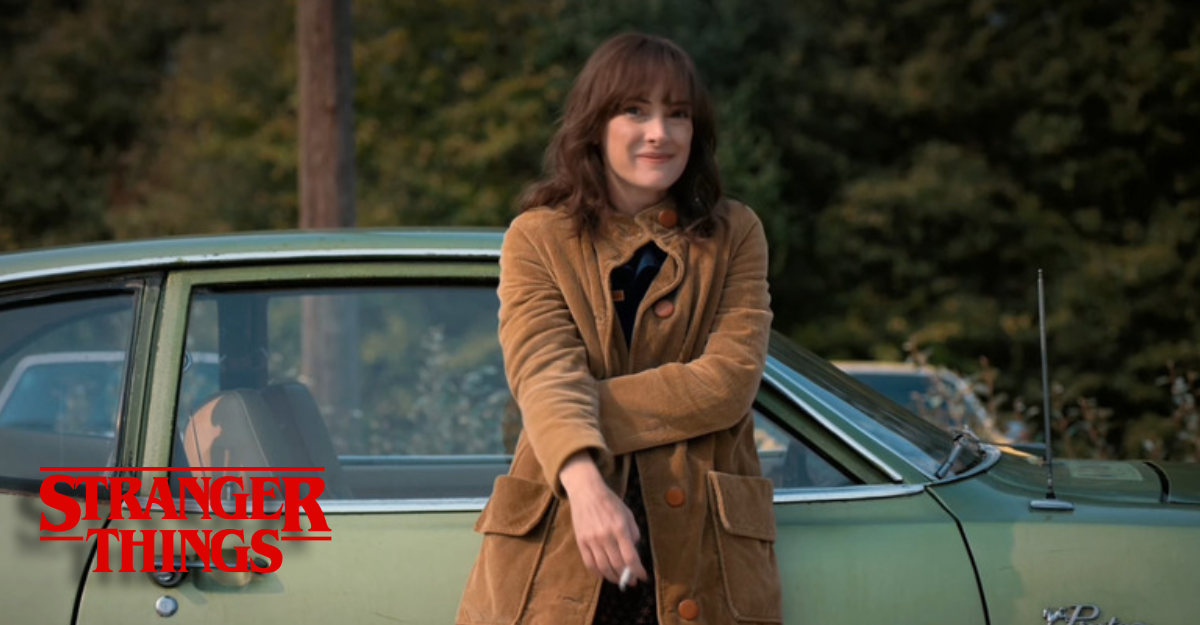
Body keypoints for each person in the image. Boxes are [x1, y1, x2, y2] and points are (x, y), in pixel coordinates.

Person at [457, 32, 780, 625]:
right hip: (560, 544)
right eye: (635, 110)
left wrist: (560, 416)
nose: (660, 132)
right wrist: (583, 485)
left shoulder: (736, 233)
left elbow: (728, 383)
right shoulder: (538, 237)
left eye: (677, 114)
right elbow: (543, 367)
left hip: (702, 558)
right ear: (596, 124)